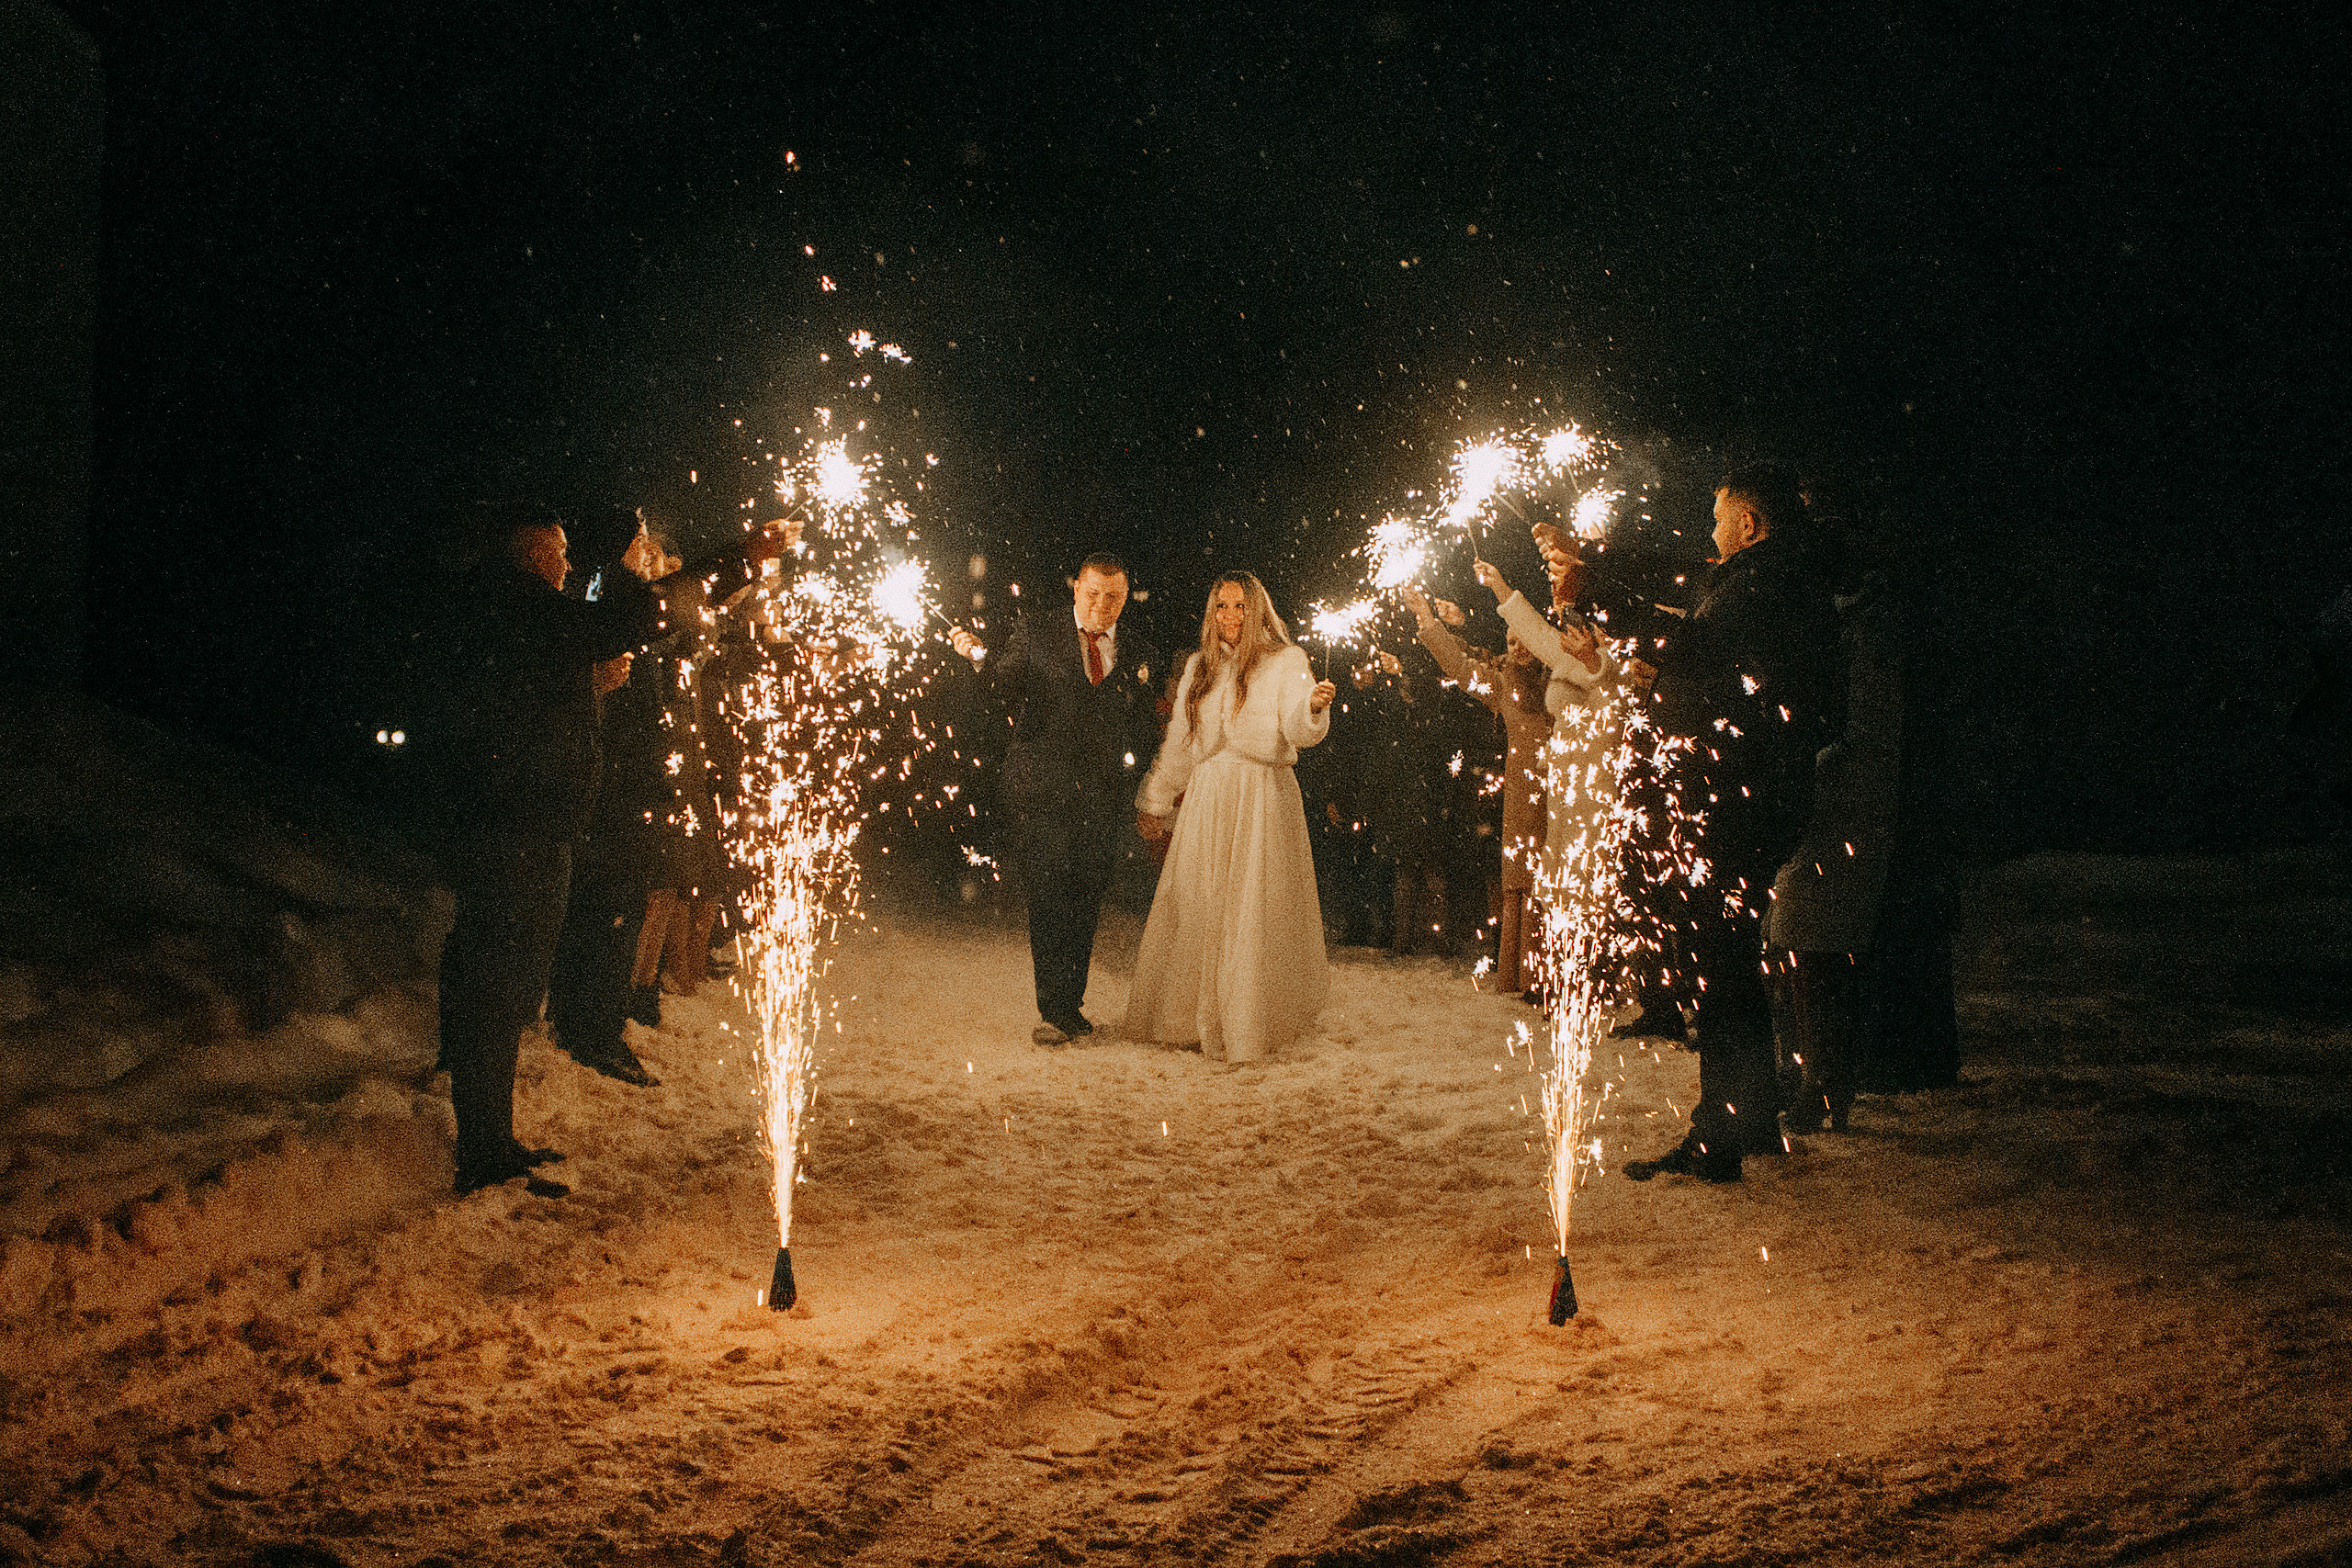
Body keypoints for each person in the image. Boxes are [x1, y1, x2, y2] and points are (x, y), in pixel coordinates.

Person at [434, 502, 786, 1198]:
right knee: (498, 982)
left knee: (508, 982)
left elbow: (551, 679)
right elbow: (628, 620)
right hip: (516, 828)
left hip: (529, 823)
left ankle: (492, 1138)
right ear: (534, 553)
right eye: (560, 553)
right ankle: (482, 1146)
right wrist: (735, 560)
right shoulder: (521, 606)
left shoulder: (518, 612)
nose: (568, 566)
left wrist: (587, 685)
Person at [1621, 463, 1839, 1183]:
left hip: (1741, 795)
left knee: (1720, 960)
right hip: (1758, 792)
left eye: (1719, 517)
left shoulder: (1762, 584)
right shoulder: (1784, 580)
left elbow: (1698, 645)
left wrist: (1603, 596)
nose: (1710, 531)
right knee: (1732, 955)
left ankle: (1723, 1133)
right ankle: (1750, 1119)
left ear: (1749, 525)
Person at [949, 555, 1164, 1044]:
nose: (1101, 605)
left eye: (1113, 597)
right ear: (1076, 591)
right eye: (1092, 594)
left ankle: (1071, 1003)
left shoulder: (1137, 650)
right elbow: (1004, 691)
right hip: (1041, 791)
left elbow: (1139, 722)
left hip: (1103, 797)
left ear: (1125, 598)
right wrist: (978, 659)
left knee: (1086, 896)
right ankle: (1054, 1009)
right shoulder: (1037, 634)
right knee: (1049, 896)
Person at [1126, 572, 1338, 1062]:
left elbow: (1297, 727)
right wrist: (1157, 799)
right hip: (1207, 799)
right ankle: (1187, 1018)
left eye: (1240, 606)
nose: (1230, 617)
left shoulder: (1287, 662)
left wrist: (1311, 708)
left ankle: (1248, 1021)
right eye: (1221, 606)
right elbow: (1180, 741)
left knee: (1251, 907)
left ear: (1257, 609)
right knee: (1201, 900)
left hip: (1261, 796)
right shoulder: (1199, 667)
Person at [1403, 585, 1549, 993]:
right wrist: (1428, 622)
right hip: (1522, 789)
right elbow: (1462, 667)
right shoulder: (1503, 684)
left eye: (1523, 639)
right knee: (1523, 874)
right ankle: (1528, 974)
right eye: (1509, 641)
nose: (1516, 648)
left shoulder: (1560, 674)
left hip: (1563, 786)